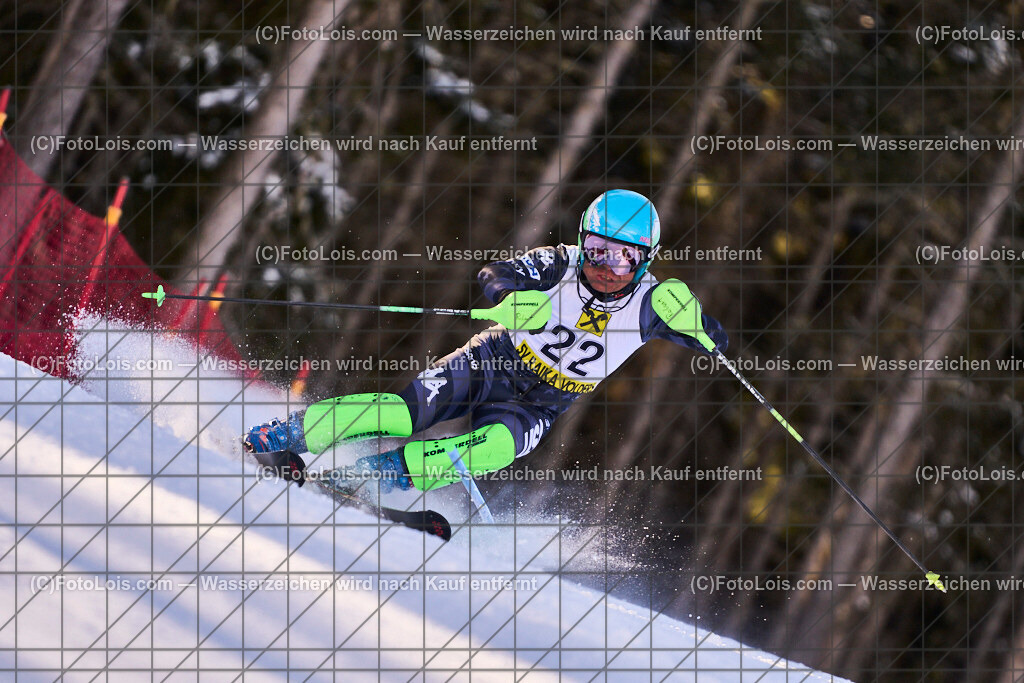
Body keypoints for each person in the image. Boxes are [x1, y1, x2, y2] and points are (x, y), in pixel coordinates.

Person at [244, 189, 728, 492]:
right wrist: (507, 299)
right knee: (403, 412)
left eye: (622, 259)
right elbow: (495, 272)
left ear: (644, 261)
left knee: (492, 448)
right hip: (492, 361)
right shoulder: (560, 263)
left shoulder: (650, 305)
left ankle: (373, 477)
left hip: (541, 402)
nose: (604, 268)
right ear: (583, 240)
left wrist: (697, 323)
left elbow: (718, 346)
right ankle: (290, 434)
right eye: (597, 251)